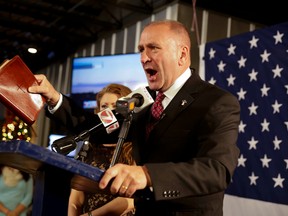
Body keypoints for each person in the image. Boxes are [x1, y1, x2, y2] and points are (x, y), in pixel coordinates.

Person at [29, 19, 240, 215]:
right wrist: (54, 98)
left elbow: (216, 170)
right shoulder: (142, 101)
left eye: (153, 48)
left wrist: (147, 175)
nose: (143, 58)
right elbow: (97, 127)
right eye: (141, 50)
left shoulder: (216, 102)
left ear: (182, 55)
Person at [67, 84, 136, 216]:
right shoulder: (88, 146)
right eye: (104, 106)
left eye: (115, 106)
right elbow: (76, 198)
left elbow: (130, 200)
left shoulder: (135, 147)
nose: (109, 111)